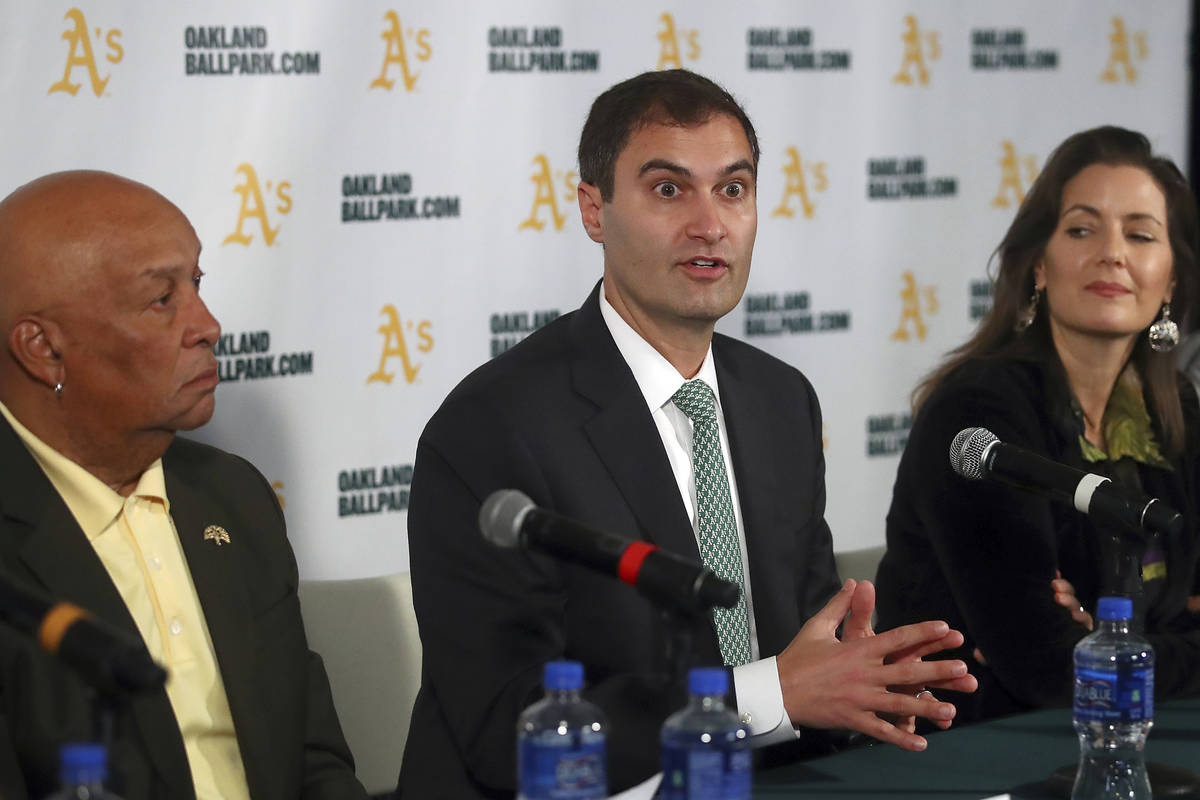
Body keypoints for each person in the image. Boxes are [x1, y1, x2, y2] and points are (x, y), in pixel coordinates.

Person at [399, 69, 975, 799]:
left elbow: (802, 661)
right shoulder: (493, 427)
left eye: (733, 190)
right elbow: (509, 729)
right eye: (669, 190)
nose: (710, 225)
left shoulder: (779, 401)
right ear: (593, 209)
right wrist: (770, 695)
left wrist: (857, 682)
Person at [0, 171, 368, 800]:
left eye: (196, 284)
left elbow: (314, 763)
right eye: (161, 300)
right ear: (44, 350)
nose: (208, 325)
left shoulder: (234, 497)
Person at [875, 126, 1200, 725]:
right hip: (966, 741)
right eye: (1081, 228)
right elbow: (1047, 667)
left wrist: (1107, 643)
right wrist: (1150, 639)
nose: (1112, 252)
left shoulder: (1170, 405)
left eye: (1140, 233)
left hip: (1121, 724)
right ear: (1040, 266)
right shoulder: (978, 411)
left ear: (1171, 280)